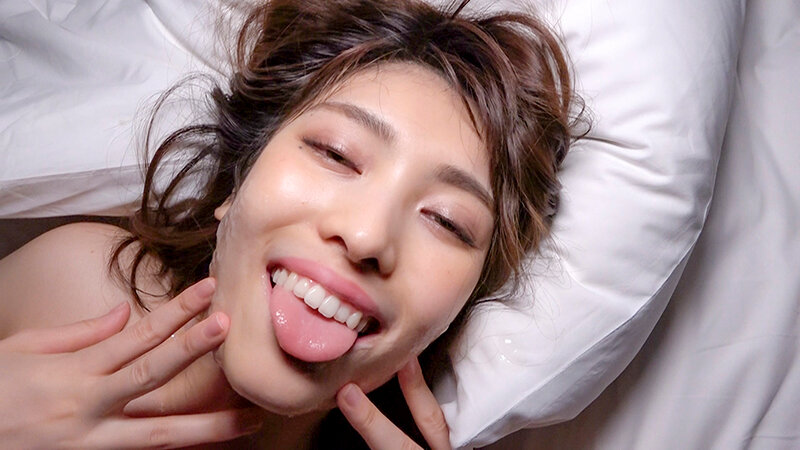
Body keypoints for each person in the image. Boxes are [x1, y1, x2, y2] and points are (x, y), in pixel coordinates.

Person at [0, 0, 580, 447]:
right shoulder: (78, 293)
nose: (367, 236)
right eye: (335, 153)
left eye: (447, 222)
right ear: (237, 180)